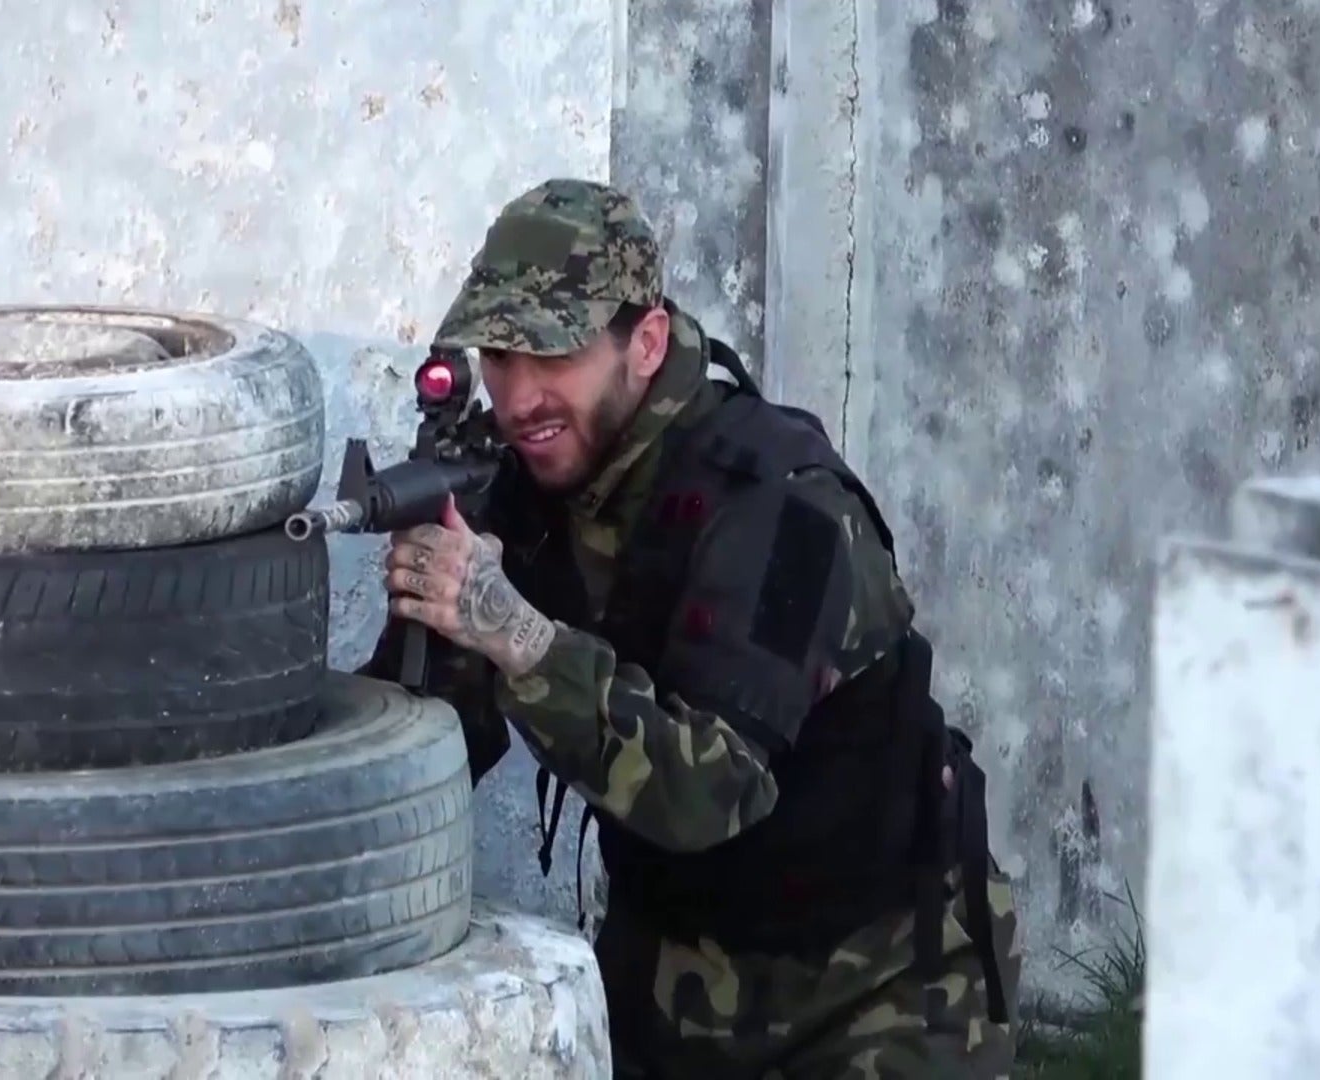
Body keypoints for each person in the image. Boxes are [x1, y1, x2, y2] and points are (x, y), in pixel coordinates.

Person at [356, 177, 1020, 1078]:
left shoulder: (785, 506)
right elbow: (438, 745)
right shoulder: (531, 488)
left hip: (877, 990)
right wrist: (420, 648)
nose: (520, 398)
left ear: (647, 342)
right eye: (500, 358)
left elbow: (712, 789)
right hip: (678, 964)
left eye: (555, 355)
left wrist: (514, 632)